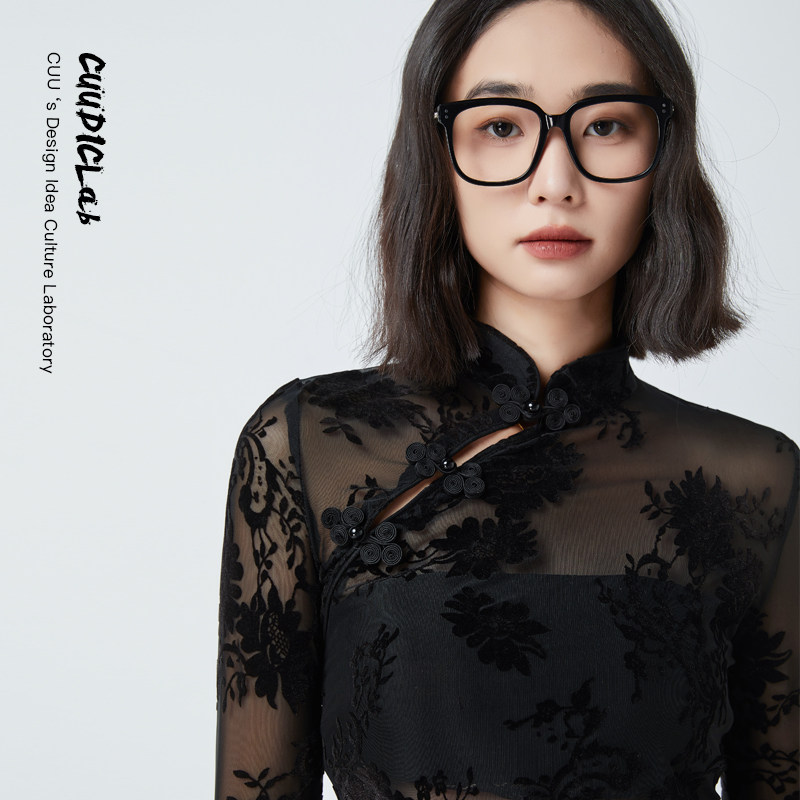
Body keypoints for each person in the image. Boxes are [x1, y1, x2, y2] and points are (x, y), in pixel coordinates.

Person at [215, 0, 799, 798]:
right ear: (436, 152)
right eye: (501, 126)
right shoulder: (305, 445)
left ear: (664, 152)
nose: (555, 183)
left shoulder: (756, 477)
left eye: (606, 125)